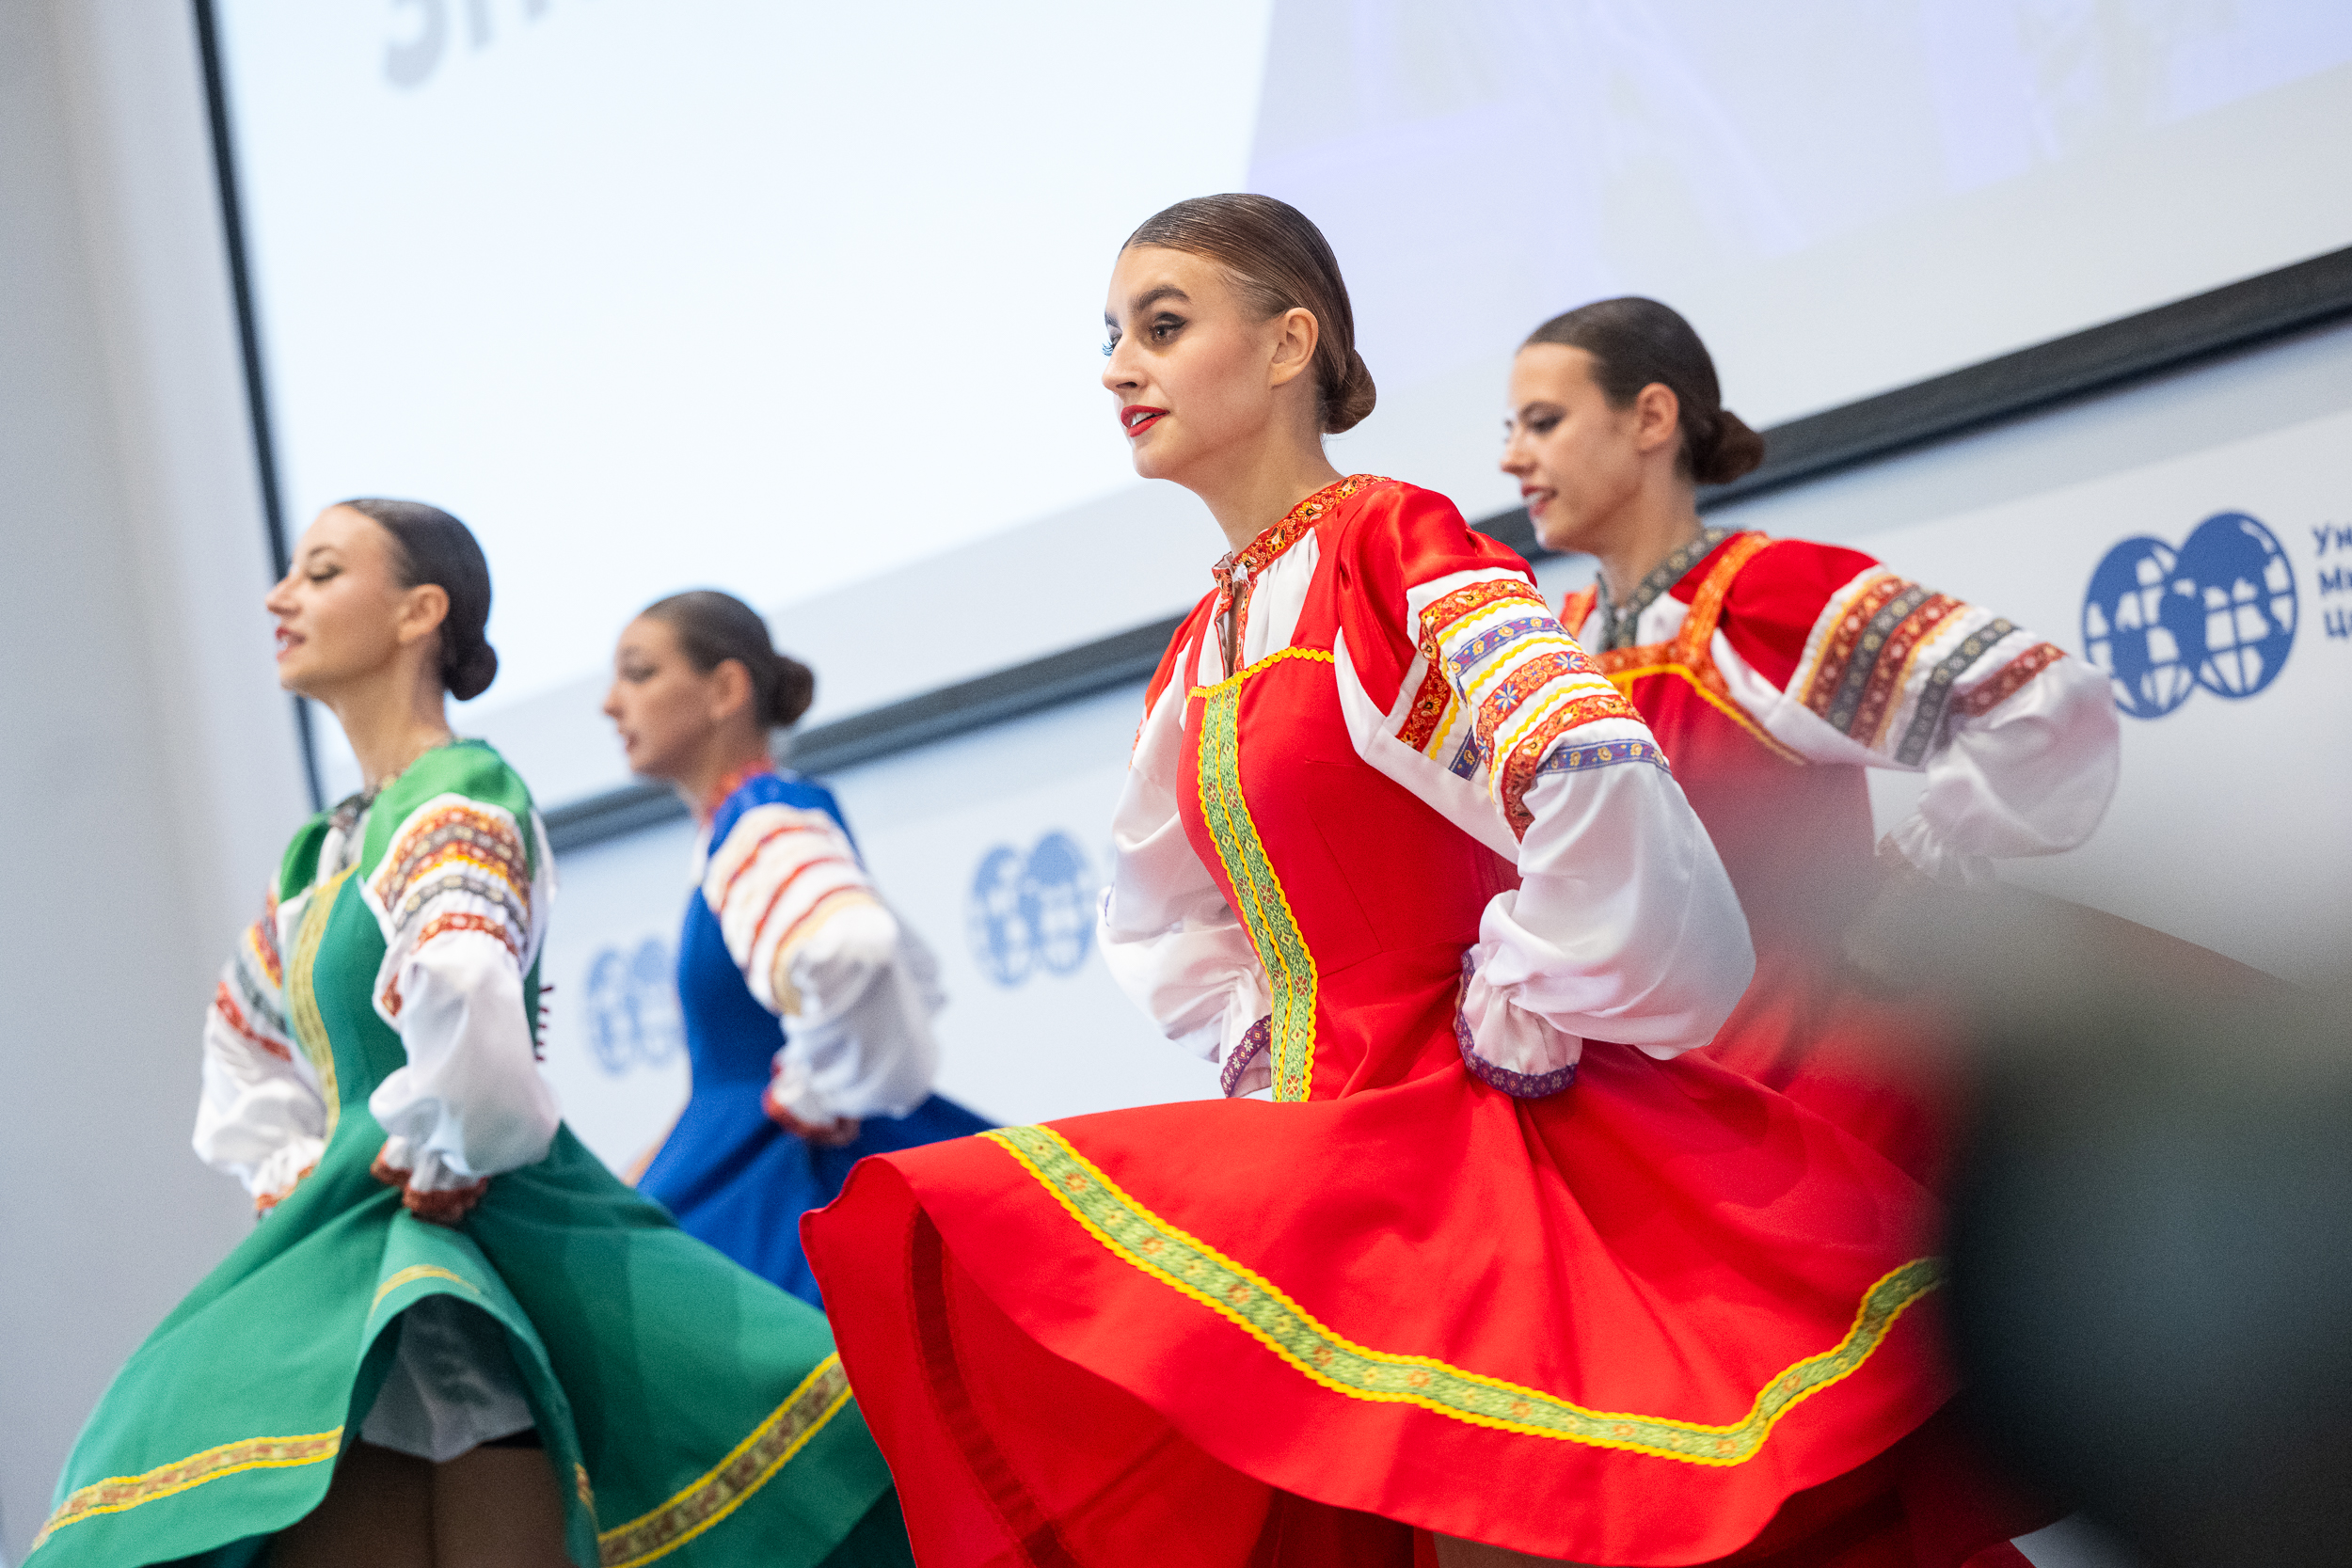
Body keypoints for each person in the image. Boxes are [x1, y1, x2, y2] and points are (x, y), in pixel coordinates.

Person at [803, 195, 2022, 1567]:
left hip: (1476, 1134)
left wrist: (1524, 994)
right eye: (1110, 338)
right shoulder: (1206, 639)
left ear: (1288, 346)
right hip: (1332, 1151)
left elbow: (1588, 756)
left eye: (1161, 326)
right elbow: (1166, 908)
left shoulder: (1391, 544)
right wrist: (1260, 1047)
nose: (1118, 369)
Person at [30, 501, 909, 1568]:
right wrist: (307, 1169)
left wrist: (444, 1141)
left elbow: (466, 982)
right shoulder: (320, 850)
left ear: (420, 613)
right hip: (364, 1225)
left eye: (321, 572)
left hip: (476, 1222)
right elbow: (248, 1045)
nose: (279, 597)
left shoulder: (460, 793)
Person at [1501, 297, 2122, 1185]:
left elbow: (2042, 699)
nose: (1513, 458)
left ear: (1651, 418)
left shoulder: (1767, 596)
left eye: (1543, 423)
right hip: (1634, 1126)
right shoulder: (1554, 646)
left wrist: (1916, 871)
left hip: (1807, 1101)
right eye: (1512, 430)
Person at [602, 590, 990, 1306]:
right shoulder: (743, 824)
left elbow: (854, 944)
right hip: (757, 1163)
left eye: (640, 673)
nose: (610, 703)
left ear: (725, 689)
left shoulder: (762, 820)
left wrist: (809, 1091)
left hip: (787, 1189)